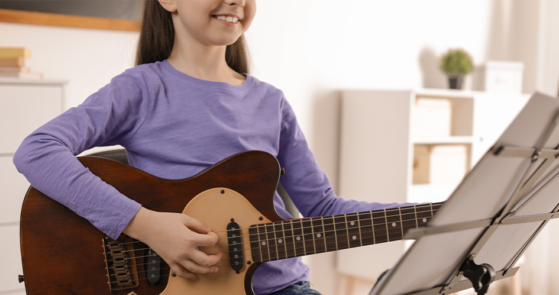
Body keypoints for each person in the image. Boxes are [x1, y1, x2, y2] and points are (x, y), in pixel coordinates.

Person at [13, 0, 408, 294]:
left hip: (282, 288)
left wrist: (437, 216)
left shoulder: (272, 102)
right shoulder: (140, 89)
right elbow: (37, 149)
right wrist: (146, 225)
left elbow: (324, 208)